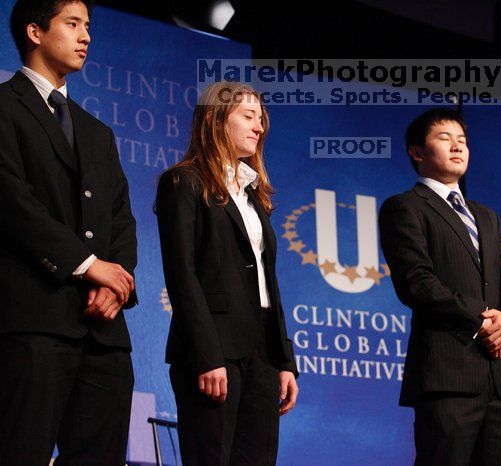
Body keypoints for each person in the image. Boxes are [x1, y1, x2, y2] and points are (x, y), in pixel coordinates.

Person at [0, 0, 138, 464]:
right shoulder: (3, 108)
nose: (86, 36)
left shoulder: (97, 132)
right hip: (33, 323)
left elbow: (122, 217)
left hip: (103, 333)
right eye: (73, 24)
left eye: (89, 27)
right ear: (36, 32)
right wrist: (87, 265)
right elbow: (11, 201)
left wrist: (116, 283)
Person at [155, 81, 298, 465]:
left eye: (262, 119)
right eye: (248, 116)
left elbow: (269, 284)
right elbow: (182, 274)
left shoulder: (256, 196)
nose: (259, 127)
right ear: (217, 120)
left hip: (262, 352)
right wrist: (206, 355)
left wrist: (284, 361)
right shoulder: (183, 182)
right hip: (213, 348)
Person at [378, 108, 501, 466]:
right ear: (417, 152)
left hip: (499, 378)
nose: (457, 147)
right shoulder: (406, 207)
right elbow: (417, 281)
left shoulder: (487, 216)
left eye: (462, 140)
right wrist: (484, 319)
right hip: (447, 375)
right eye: (445, 138)